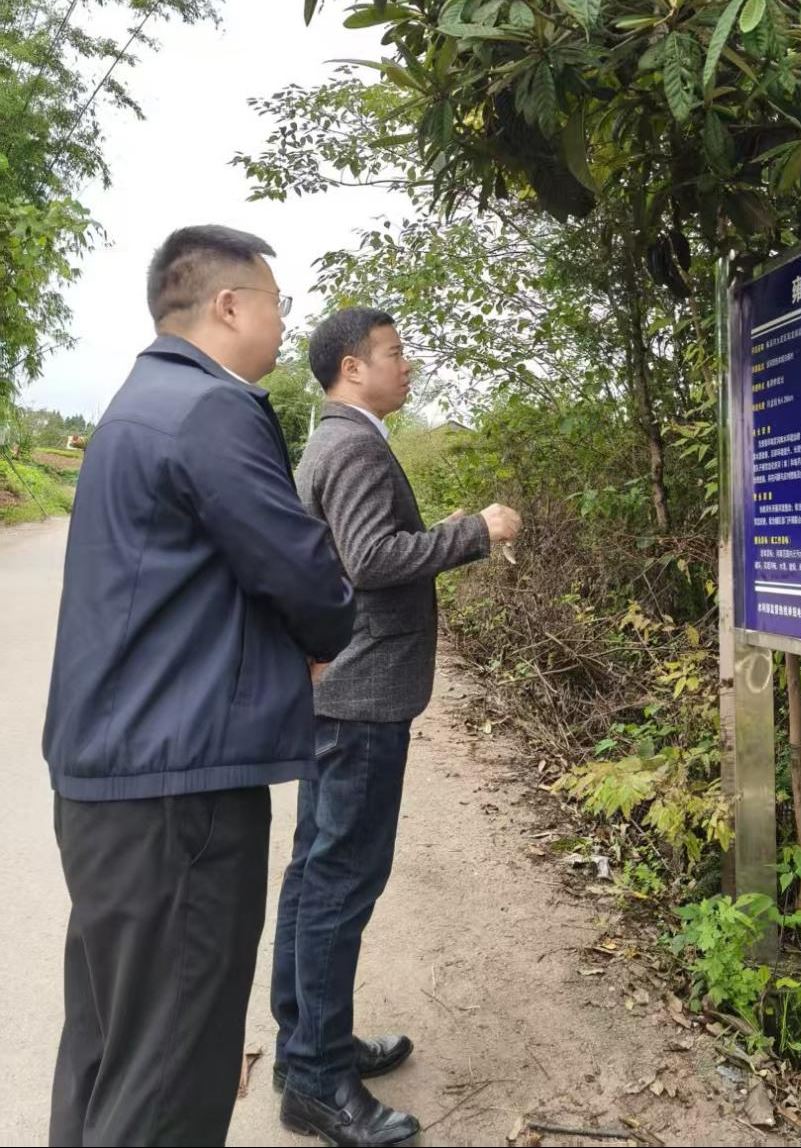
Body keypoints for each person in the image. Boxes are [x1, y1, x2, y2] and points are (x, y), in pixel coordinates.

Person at [43, 225, 356, 1147]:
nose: (283, 321)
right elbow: (303, 573)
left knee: (111, 1049)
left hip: (116, 781)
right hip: (177, 791)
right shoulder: (212, 408)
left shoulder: (137, 403)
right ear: (228, 305)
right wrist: (319, 633)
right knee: (172, 1073)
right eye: (276, 302)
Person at [272, 307, 521, 1146]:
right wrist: (474, 531)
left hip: (343, 692)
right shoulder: (352, 446)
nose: (406, 364)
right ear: (352, 367)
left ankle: (308, 1046)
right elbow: (372, 559)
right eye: (393, 352)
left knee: (315, 872)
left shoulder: (335, 440)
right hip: (363, 696)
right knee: (340, 881)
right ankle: (316, 1081)